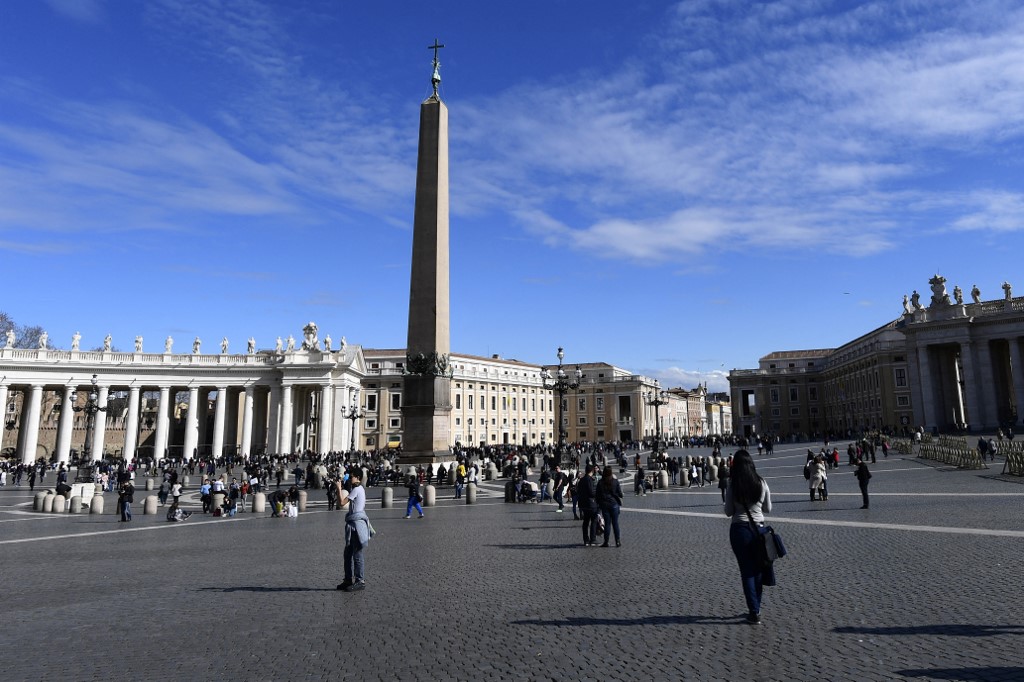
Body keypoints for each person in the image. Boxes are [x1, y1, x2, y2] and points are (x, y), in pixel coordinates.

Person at [724, 449, 773, 625]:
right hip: (759, 530)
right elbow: (768, 509)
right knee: (759, 570)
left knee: (747, 571)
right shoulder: (762, 482)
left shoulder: (733, 484)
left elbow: (728, 512)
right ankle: (756, 607)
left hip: (740, 531)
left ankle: (754, 611)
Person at [337, 470, 372, 592]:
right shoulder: (358, 489)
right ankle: (347, 580)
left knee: (357, 554)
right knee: (348, 554)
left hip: (357, 525)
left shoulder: (357, 490)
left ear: (357, 478)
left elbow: (341, 503)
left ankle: (360, 581)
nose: (349, 479)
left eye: (351, 477)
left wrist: (338, 488)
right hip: (353, 524)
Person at [595, 466, 623, 547]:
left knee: (607, 524)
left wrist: (599, 503)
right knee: (615, 523)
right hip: (614, 504)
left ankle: (606, 542)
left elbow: (597, 495)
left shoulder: (600, 482)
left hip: (605, 505)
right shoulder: (615, 482)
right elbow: (620, 494)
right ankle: (617, 541)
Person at [576, 465, 599, 547]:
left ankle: (586, 539)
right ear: (592, 471)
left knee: (585, 522)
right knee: (594, 520)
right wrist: (597, 494)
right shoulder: (589, 480)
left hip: (582, 503)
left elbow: (578, 491)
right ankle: (592, 539)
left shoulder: (581, 480)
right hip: (590, 504)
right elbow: (591, 492)